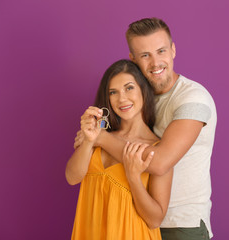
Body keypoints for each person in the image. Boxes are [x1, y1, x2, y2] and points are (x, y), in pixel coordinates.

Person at [75, 18, 217, 240]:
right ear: (133, 60)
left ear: (173, 50)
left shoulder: (193, 99)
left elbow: (159, 163)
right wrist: (88, 141)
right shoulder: (137, 98)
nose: (155, 62)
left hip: (180, 225)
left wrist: (100, 139)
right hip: (134, 221)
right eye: (145, 55)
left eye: (161, 51)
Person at [66, 59, 173, 239]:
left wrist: (133, 178)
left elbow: (155, 220)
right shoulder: (99, 136)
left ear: (143, 91)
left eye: (129, 88)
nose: (122, 98)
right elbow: (72, 177)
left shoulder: (155, 149)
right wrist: (89, 141)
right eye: (113, 92)